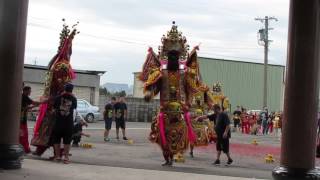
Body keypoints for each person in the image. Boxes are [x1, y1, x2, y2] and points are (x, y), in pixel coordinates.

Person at [51, 83, 77, 163]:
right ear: (72, 90)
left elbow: (54, 108)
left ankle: (58, 156)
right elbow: (74, 108)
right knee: (67, 140)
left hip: (58, 122)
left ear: (64, 89)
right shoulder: (74, 99)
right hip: (68, 123)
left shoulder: (58, 97)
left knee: (56, 139)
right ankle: (66, 158)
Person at [20, 86, 44, 154]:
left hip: (22, 119)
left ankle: (25, 148)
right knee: (23, 135)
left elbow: (26, 107)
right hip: (21, 119)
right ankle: (24, 149)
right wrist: (43, 101)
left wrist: (35, 106)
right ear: (25, 91)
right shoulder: (24, 97)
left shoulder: (23, 97)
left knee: (24, 135)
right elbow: (33, 102)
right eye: (29, 91)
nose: (30, 92)